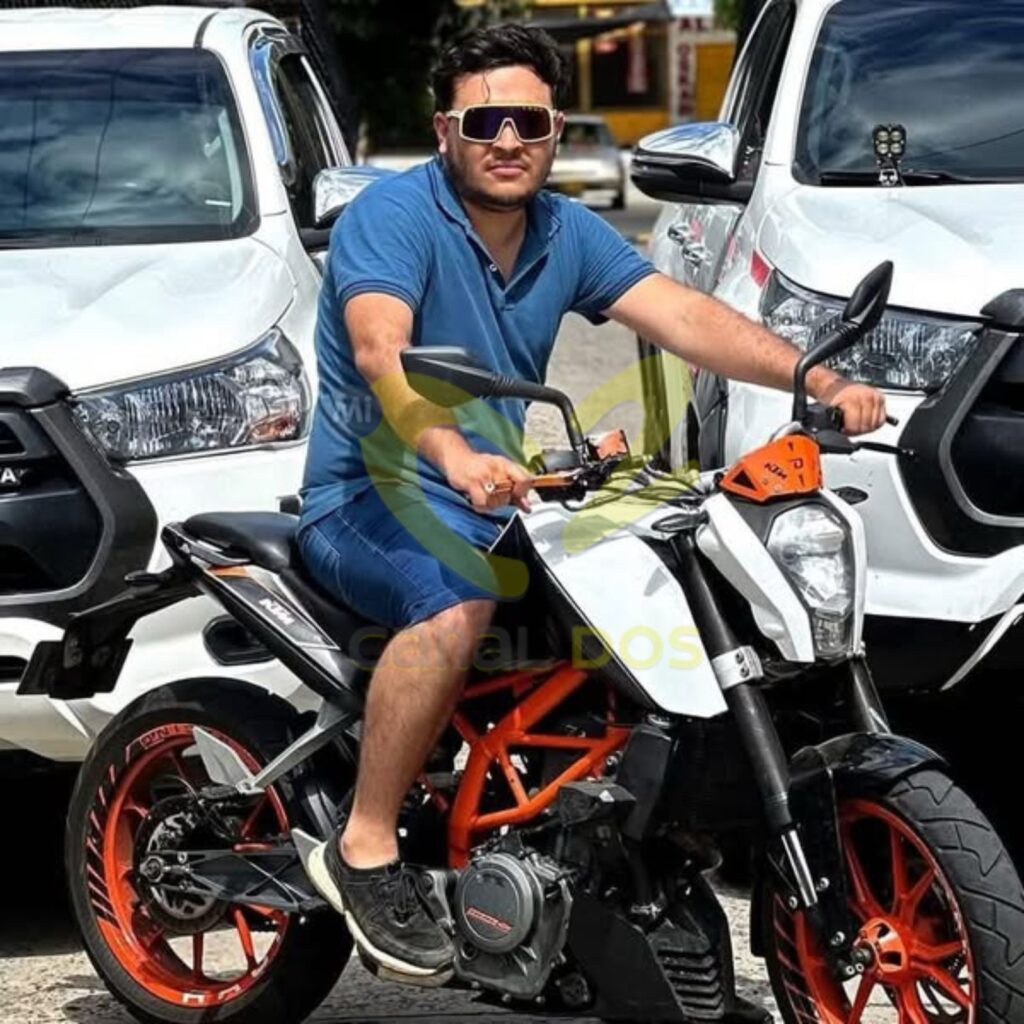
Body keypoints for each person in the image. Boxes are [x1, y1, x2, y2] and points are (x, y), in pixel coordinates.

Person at [297, 23, 887, 982]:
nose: (507, 140)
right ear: (444, 130)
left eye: (528, 122)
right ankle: (363, 846)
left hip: (500, 497)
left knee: (653, 594)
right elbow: (382, 353)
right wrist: (451, 450)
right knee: (456, 602)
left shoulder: (565, 231)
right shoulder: (392, 219)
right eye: (483, 121)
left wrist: (813, 379)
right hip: (370, 495)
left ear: (555, 130)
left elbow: (683, 315)